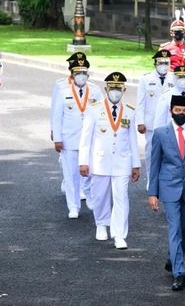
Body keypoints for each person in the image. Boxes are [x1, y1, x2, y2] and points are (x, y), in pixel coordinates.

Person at [148, 95, 185, 291]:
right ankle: (179, 272)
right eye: (178, 111)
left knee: (183, 229)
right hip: (169, 188)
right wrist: (152, 192)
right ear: (171, 111)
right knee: (175, 229)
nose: (181, 114)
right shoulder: (160, 133)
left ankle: (172, 259)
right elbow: (154, 164)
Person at [79, 72, 140, 250]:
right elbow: (85, 138)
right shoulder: (94, 109)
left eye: (118, 89)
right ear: (106, 89)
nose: (115, 92)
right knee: (100, 195)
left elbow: (133, 140)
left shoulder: (129, 110)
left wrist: (135, 164)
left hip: (122, 161)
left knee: (122, 197)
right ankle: (101, 224)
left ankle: (119, 234)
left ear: (124, 90)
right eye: (112, 88)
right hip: (99, 160)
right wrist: (83, 162)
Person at [51, 54, 103, 219]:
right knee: (71, 174)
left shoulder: (94, 89)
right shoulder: (62, 89)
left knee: (91, 171)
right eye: (78, 73)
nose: (81, 76)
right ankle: (73, 206)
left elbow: (102, 113)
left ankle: (89, 195)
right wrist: (57, 138)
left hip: (90, 140)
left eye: (84, 72)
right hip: (69, 139)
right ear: (72, 75)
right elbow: (56, 116)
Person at [136, 50, 174, 188]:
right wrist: (140, 122)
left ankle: (166, 178)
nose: (163, 65)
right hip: (150, 123)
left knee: (169, 151)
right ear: (155, 64)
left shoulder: (174, 78)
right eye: (161, 63)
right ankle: (151, 179)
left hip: (169, 122)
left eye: (166, 63)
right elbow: (140, 102)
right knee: (151, 152)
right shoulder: (146, 79)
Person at [153, 65, 185, 130]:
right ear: (174, 78)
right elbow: (160, 119)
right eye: (179, 77)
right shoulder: (166, 95)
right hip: (172, 132)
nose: (183, 79)